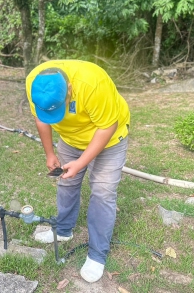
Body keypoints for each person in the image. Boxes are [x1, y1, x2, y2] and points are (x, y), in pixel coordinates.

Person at [25, 60, 130, 283]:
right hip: (71, 139)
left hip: (109, 138)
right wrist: (49, 154)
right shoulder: (34, 82)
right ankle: (63, 230)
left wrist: (81, 162)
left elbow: (107, 126)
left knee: (103, 192)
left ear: (70, 89)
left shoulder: (93, 83)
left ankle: (97, 255)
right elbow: (41, 118)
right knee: (66, 182)